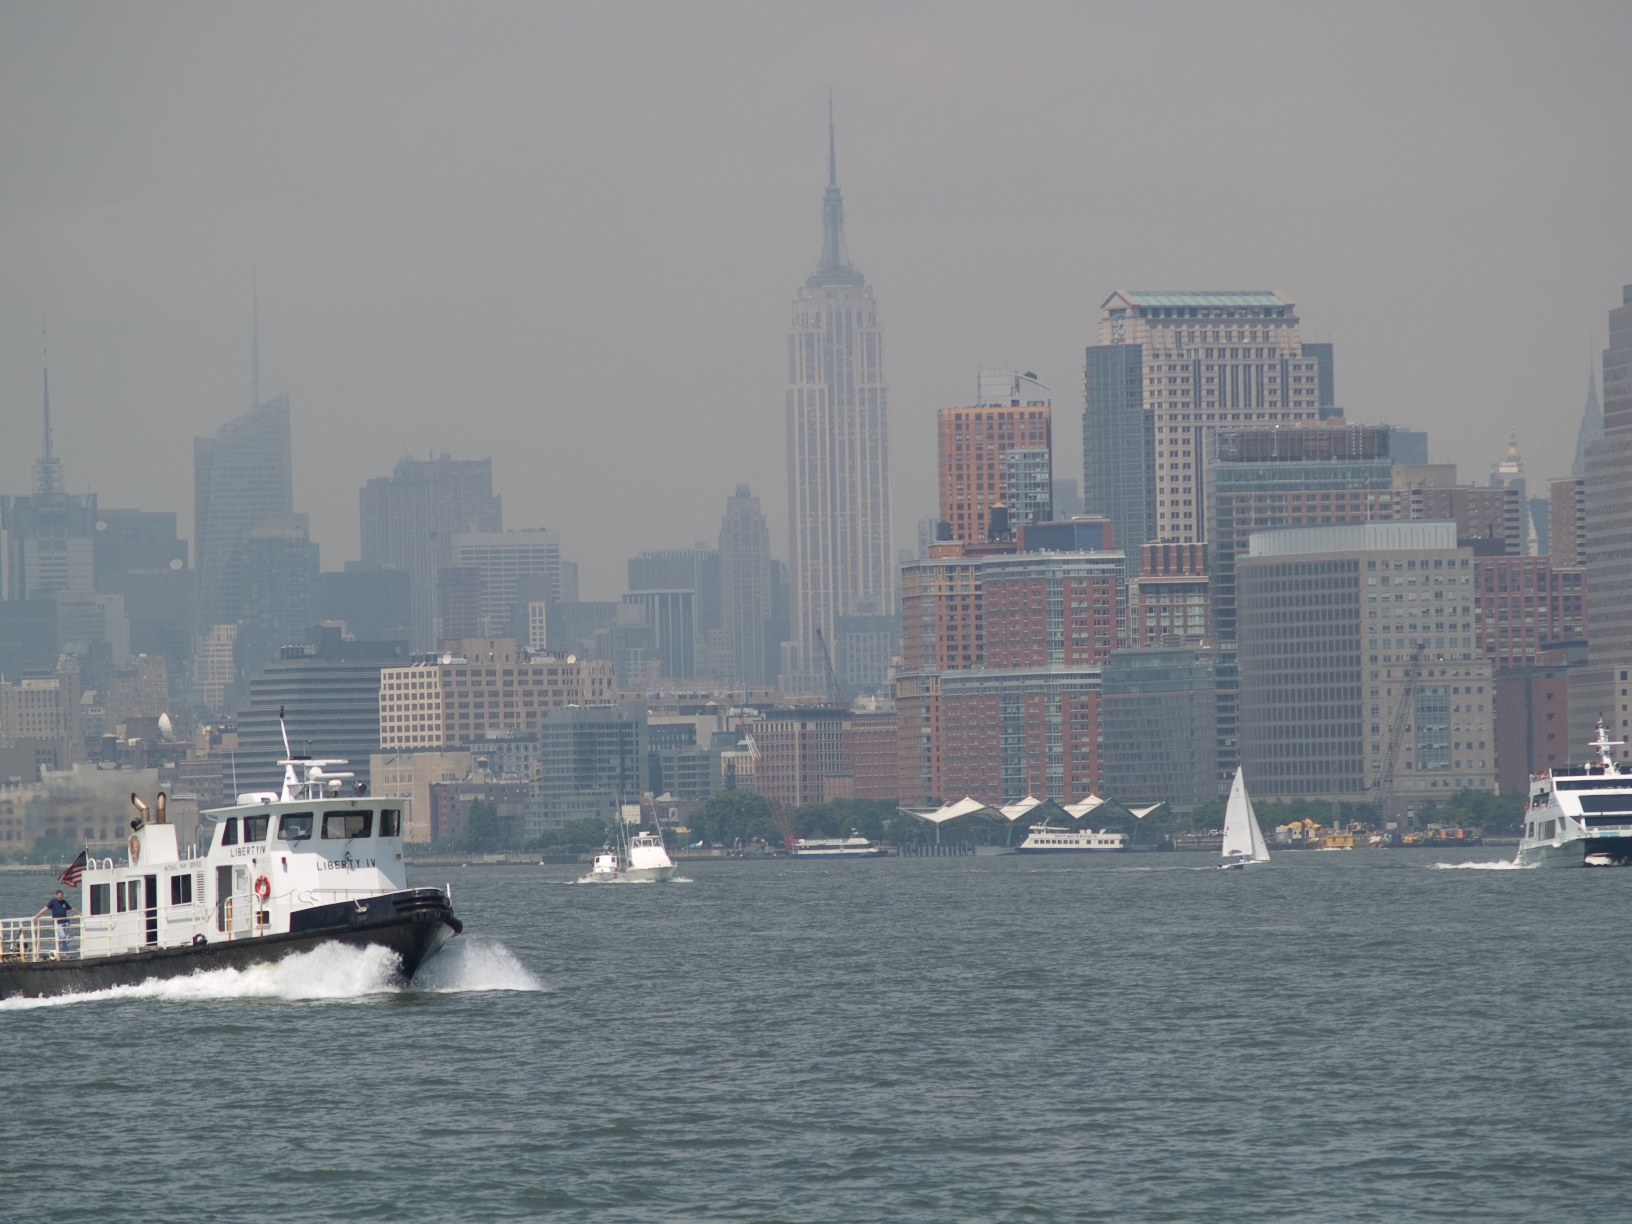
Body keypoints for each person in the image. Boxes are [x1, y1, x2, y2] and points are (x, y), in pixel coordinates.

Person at [34, 890, 76, 955]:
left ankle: (64, 953)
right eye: (59, 895)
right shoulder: (53, 902)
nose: (60, 896)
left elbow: (71, 908)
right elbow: (45, 909)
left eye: (61, 895)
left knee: (66, 938)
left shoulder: (64, 902)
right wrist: (36, 916)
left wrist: (80, 913)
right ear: (56, 895)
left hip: (65, 922)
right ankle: (58, 950)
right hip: (58, 923)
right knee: (62, 936)